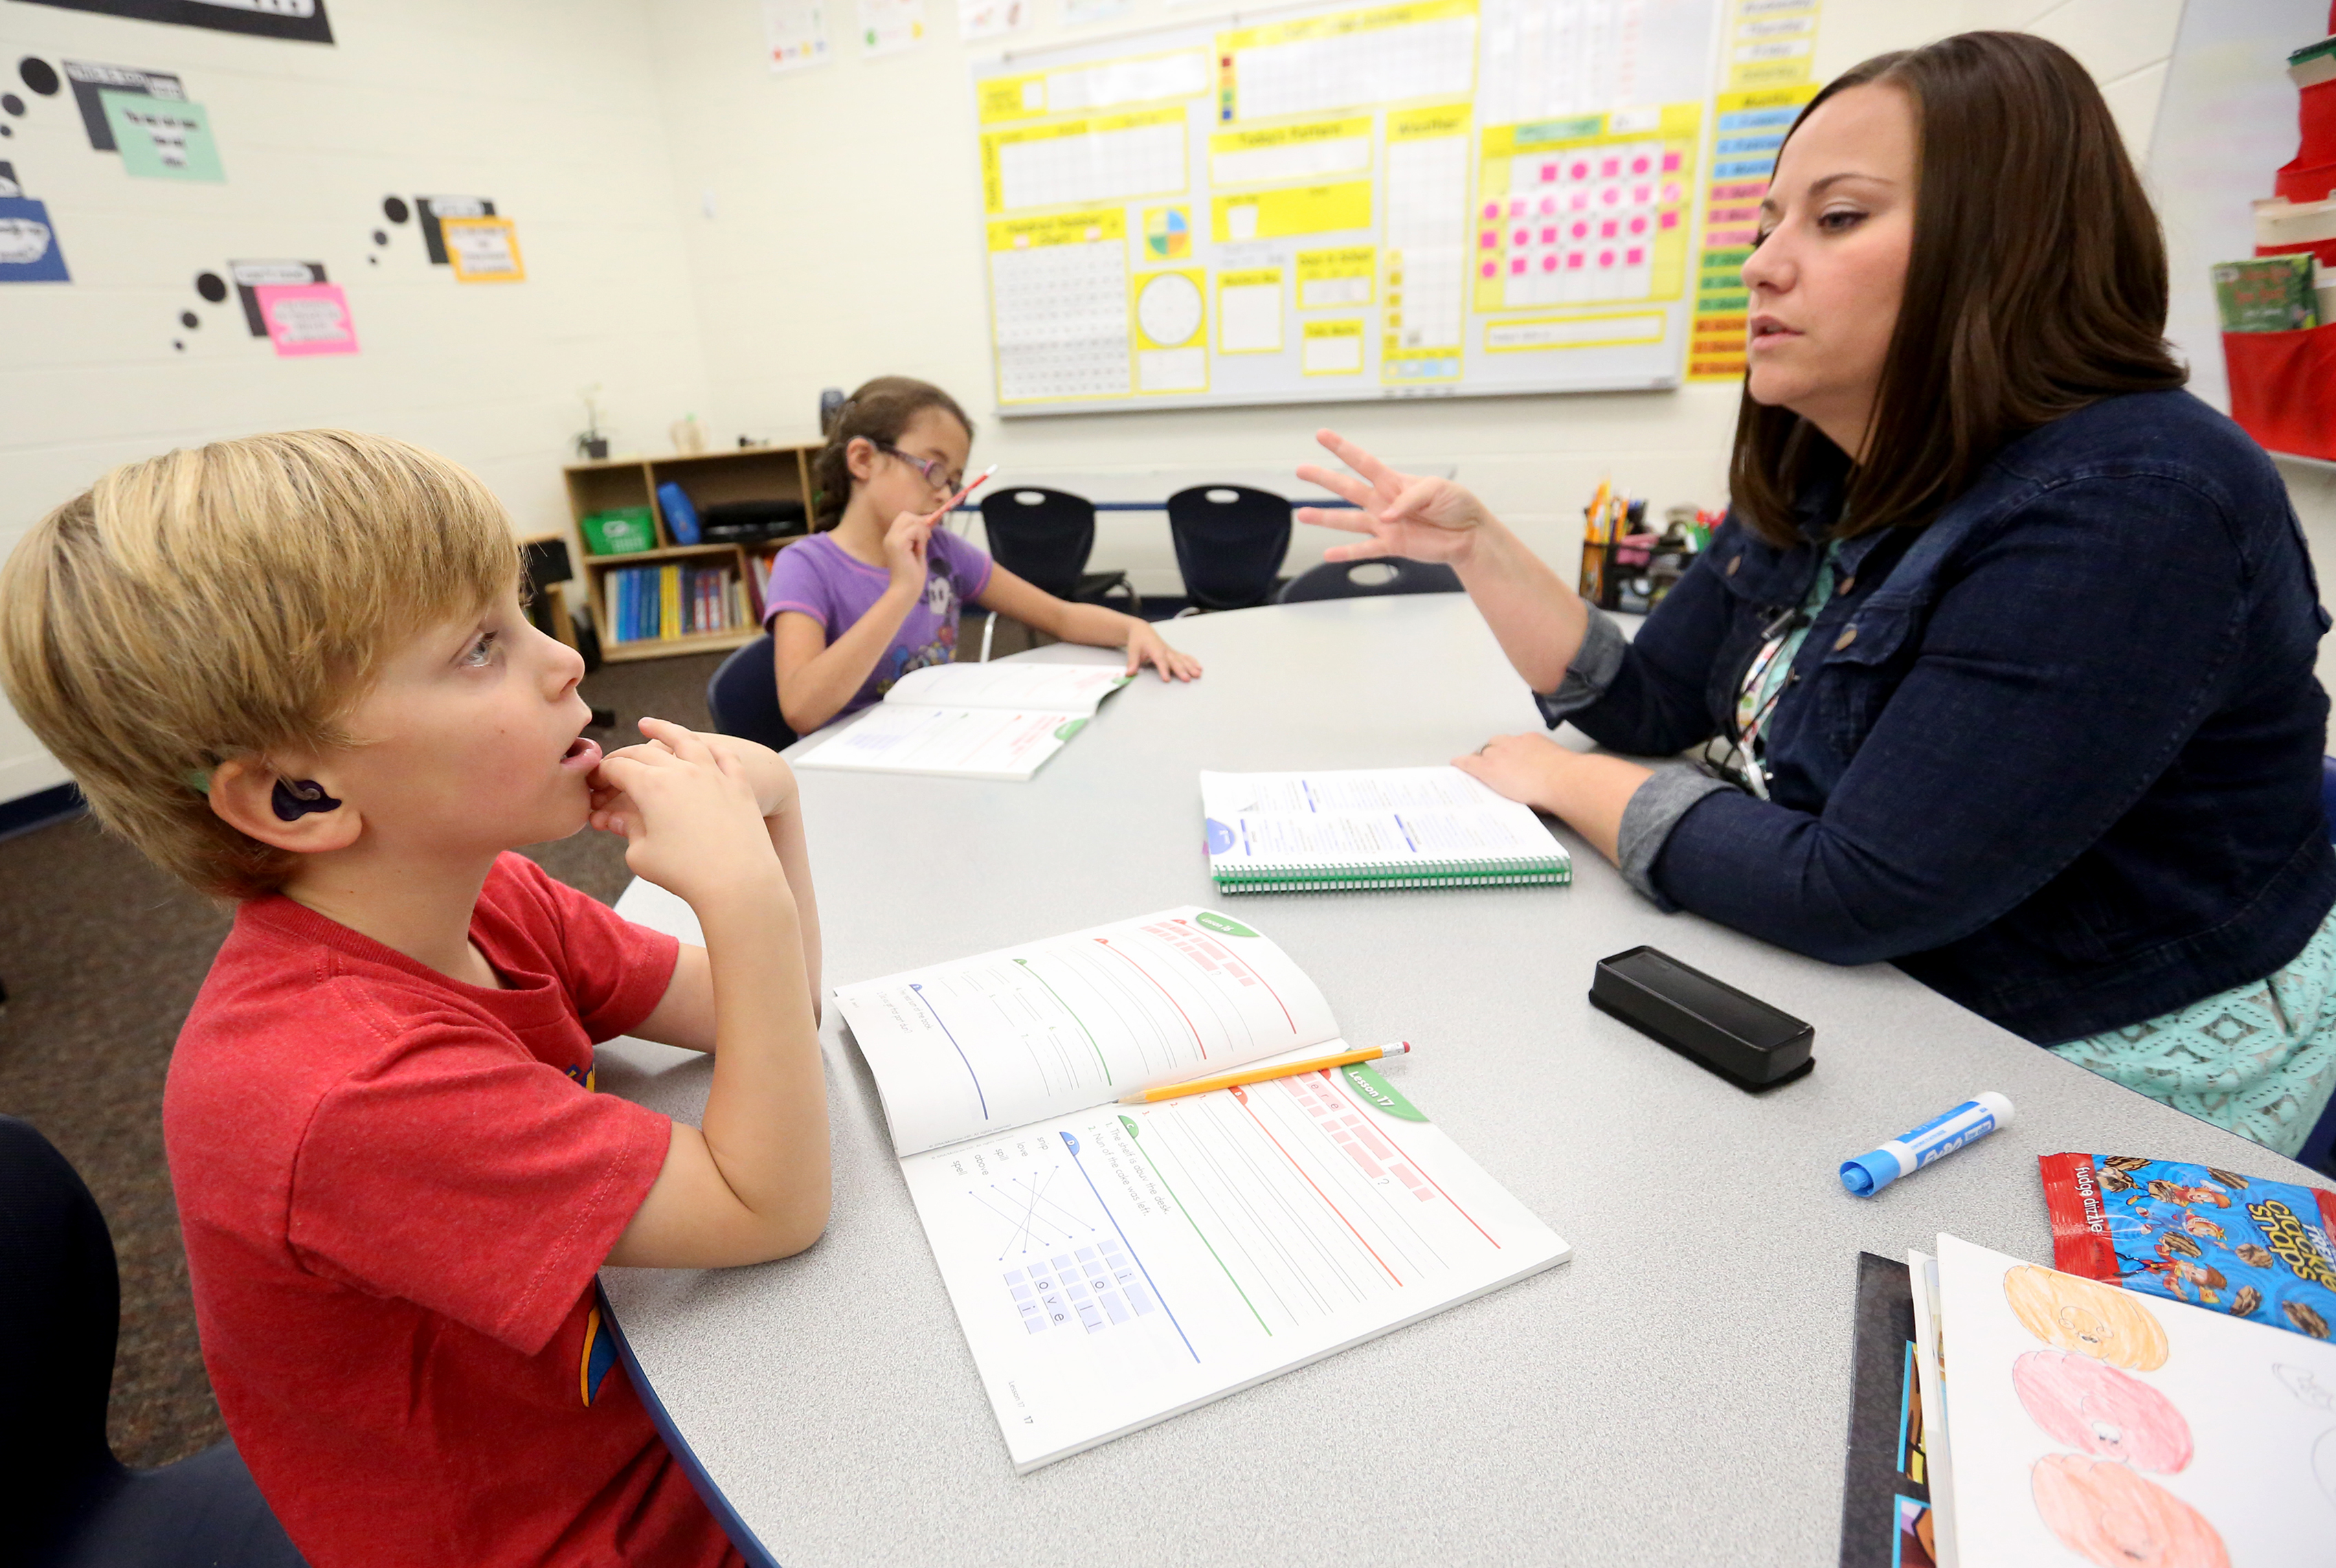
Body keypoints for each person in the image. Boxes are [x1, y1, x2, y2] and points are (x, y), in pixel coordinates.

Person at [1296, 32, 2336, 1157]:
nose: (1761, 266)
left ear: (2010, 242)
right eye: (1767, 224)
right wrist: (1479, 545)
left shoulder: (2138, 498)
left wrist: (1560, 778)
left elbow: (1860, 891)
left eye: (1836, 218)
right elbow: (1650, 704)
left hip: (2104, 1043)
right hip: (1886, 981)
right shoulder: (1830, 458)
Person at [0, 430, 830, 1567]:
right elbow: (770, 1204)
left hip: (626, 1418)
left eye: (525, 609)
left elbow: (768, 1016)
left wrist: (770, 818)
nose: (567, 661)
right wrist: (742, 891)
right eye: (483, 647)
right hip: (559, 1529)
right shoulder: (346, 1087)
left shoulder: (489, 898)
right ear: (299, 794)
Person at [770, 376, 1200, 735]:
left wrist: (1133, 628)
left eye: (954, 480)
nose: (944, 495)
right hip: (847, 765)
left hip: (935, 740)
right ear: (863, 460)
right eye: (933, 469)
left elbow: (1059, 617)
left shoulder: (943, 553)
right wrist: (902, 591)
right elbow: (802, 710)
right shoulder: (805, 566)